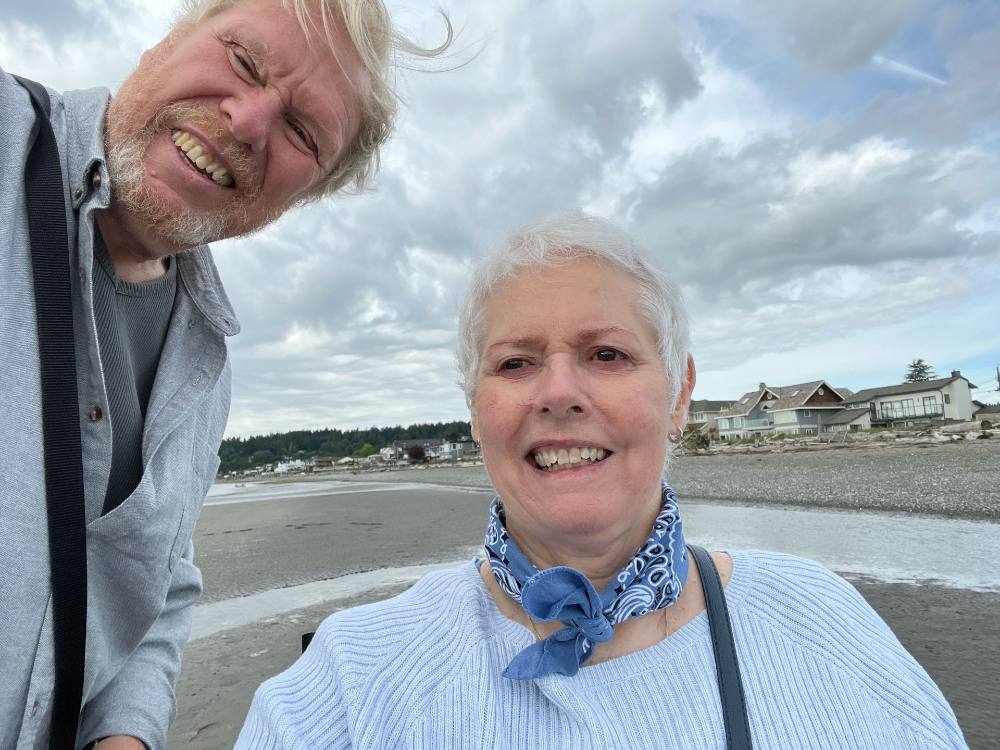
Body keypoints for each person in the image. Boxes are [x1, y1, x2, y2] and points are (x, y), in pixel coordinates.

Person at [237, 212, 967, 749]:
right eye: (516, 362)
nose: (559, 392)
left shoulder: (823, 620)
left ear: (679, 393)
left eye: (608, 354)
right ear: (475, 407)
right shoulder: (352, 678)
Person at [0, 1, 449, 747]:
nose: (246, 121)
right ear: (168, 39)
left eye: (302, 131)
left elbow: (155, 583)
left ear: (303, 196)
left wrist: (126, 733)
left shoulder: (205, 368)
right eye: (243, 60)